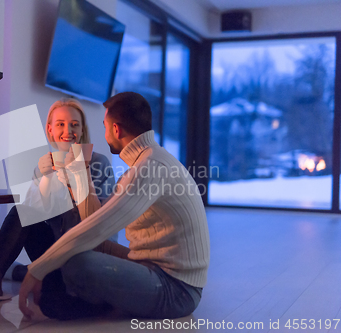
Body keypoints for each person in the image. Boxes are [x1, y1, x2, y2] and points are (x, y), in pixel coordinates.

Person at [18, 92, 210, 320]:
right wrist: (78, 171)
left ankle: (99, 306)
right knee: (80, 252)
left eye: (105, 126)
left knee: (78, 264)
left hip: (177, 290)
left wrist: (37, 269)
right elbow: (96, 221)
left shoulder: (149, 168)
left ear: (116, 130)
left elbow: (97, 228)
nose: (105, 133)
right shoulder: (147, 161)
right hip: (149, 264)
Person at [0, 98, 115, 304]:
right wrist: (45, 178)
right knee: (22, 209)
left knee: (53, 291)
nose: (67, 130)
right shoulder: (44, 165)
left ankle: (21, 272)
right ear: (50, 130)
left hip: (87, 252)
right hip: (53, 250)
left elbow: (99, 223)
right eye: (60, 124)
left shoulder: (98, 163)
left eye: (74, 124)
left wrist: (78, 175)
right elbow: (32, 214)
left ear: (82, 130)